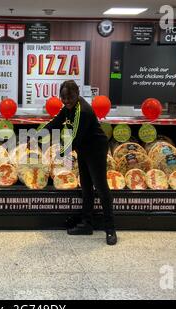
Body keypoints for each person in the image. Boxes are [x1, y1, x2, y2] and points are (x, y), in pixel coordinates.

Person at [41, 80, 117, 245]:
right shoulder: (69, 107)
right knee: (86, 186)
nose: (66, 101)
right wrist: (38, 134)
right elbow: (56, 121)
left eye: (70, 97)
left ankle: (110, 229)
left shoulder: (83, 111)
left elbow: (74, 138)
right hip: (84, 148)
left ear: (77, 94)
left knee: (101, 187)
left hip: (96, 150)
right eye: (63, 97)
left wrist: (59, 154)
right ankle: (86, 224)